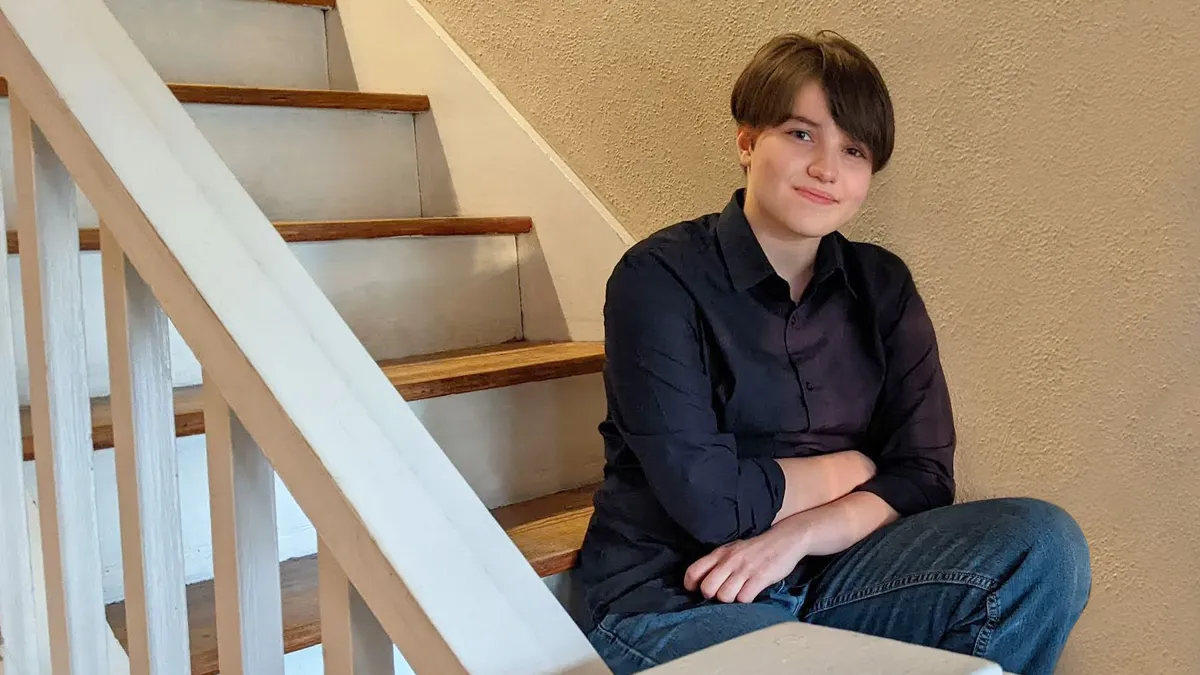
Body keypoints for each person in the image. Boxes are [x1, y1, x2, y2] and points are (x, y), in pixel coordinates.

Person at [575, 31, 1091, 675]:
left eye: (854, 149)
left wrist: (800, 534)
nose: (827, 168)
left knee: (1043, 545)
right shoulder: (658, 278)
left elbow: (925, 475)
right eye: (800, 134)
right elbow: (708, 502)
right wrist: (851, 464)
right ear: (746, 140)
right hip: (680, 591)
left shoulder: (882, 285)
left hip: (836, 571)